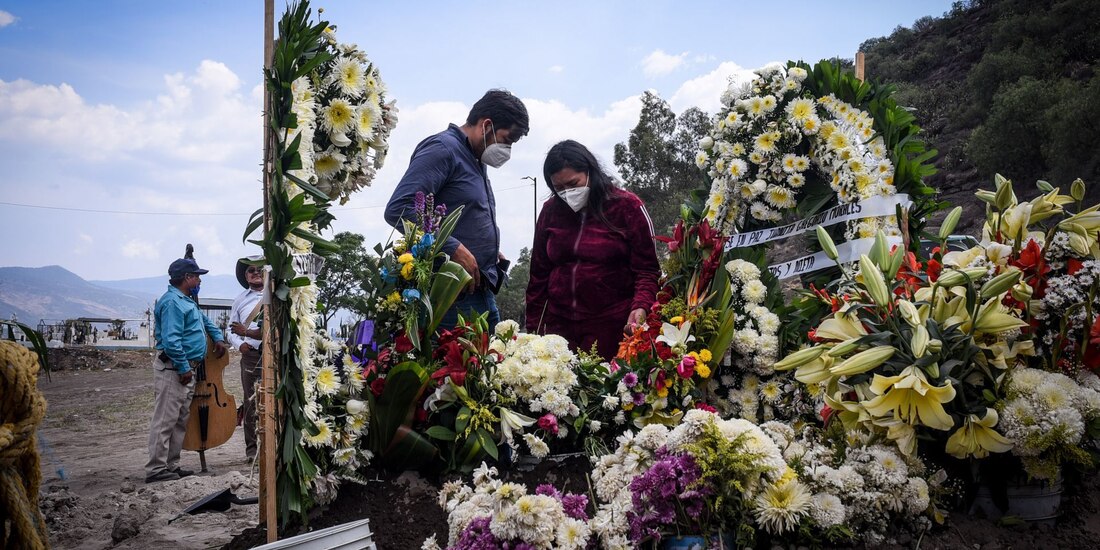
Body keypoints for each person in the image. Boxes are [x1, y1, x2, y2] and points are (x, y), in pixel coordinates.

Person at [384, 89, 529, 329]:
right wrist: (454, 248)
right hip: (450, 295)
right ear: (486, 125)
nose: (507, 150)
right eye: (506, 140)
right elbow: (400, 207)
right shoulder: (443, 149)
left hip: (481, 288)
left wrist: (488, 250)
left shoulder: (475, 157)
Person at [525, 140, 661, 360]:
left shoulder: (628, 207)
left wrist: (641, 306)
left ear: (590, 172)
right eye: (558, 188)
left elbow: (647, 270)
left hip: (612, 327)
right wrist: (533, 330)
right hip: (558, 330)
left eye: (573, 183)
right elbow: (538, 276)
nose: (567, 193)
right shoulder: (550, 211)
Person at [145, 256, 228, 483]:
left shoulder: (186, 300)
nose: (199, 281)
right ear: (187, 278)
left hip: (184, 369)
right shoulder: (173, 303)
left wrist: (218, 338)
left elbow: (205, 321)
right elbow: (172, 341)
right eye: (197, 277)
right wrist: (183, 368)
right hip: (174, 370)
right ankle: (156, 469)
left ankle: (171, 464)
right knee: (165, 420)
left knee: (179, 419)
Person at [228, 256, 264, 462]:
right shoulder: (240, 299)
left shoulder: (276, 295)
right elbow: (231, 329)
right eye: (251, 270)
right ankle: (252, 451)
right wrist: (238, 343)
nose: (256, 273)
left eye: (260, 269)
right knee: (251, 403)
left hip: (273, 354)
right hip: (250, 356)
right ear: (246, 275)